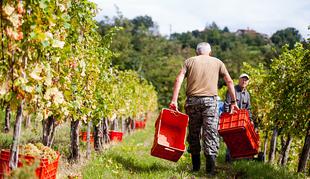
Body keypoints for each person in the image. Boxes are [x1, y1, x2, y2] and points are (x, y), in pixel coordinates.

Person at [169, 42, 238, 175]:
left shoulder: (189, 61)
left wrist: (174, 100)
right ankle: (210, 170)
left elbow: (179, 79)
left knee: (194, 133)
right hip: (210, 102)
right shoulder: (218, 62)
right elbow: (229, 81)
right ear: (210, 52)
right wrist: (234, 101)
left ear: (197, 52)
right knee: (210, 133)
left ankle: (195, 168)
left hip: (192, 101)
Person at [223, 73, 253, 162]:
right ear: (239, 80)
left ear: (248, 82)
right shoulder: (232, 90)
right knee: (231, 138)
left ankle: (239, 158)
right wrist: (228, 116)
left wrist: (250, 120)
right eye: (242, 79)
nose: (244, 81)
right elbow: (227, 104)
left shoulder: (247, 94)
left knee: (241, 138)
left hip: (242, 121)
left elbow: (248, 109)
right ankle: (228, 159)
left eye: (246, 80)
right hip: (232, 119)